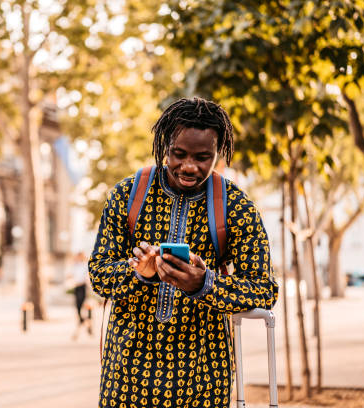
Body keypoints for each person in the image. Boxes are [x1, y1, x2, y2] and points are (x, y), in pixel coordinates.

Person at [88, 97, 278, 408]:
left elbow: (264, 289)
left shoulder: (236, 206)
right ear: (164, 147)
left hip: (203, 378)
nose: (189, 167)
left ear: (219, 153)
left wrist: (205, 284)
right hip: (126, 378)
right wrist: (139, 272)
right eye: (179, 154)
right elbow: (99, 273)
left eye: (204, 157)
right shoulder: (126, 196)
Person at [69, 251, 92, 340]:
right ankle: (87, 323)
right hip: (76, 288)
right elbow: (71, 275)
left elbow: (87, 277)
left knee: (82, 308)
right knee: (78, 308)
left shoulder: (85, 266)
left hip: (83, 287)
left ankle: (82, 325)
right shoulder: (75, 266)